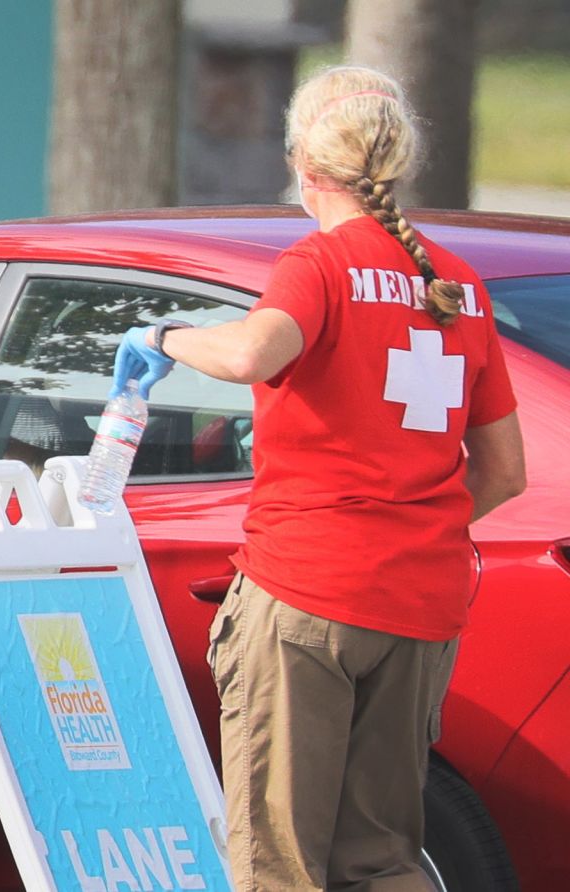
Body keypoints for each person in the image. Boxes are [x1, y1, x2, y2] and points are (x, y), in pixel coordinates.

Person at [113, 66, 526, 890]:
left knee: (280, 864)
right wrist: (413, 526)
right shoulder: (457, 286)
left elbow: (247, 354)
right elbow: (506, 472)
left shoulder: (321, 263)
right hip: (420, 606)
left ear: (305, 161)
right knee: (383, 862)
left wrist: (161, 335)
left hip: (308, 594)